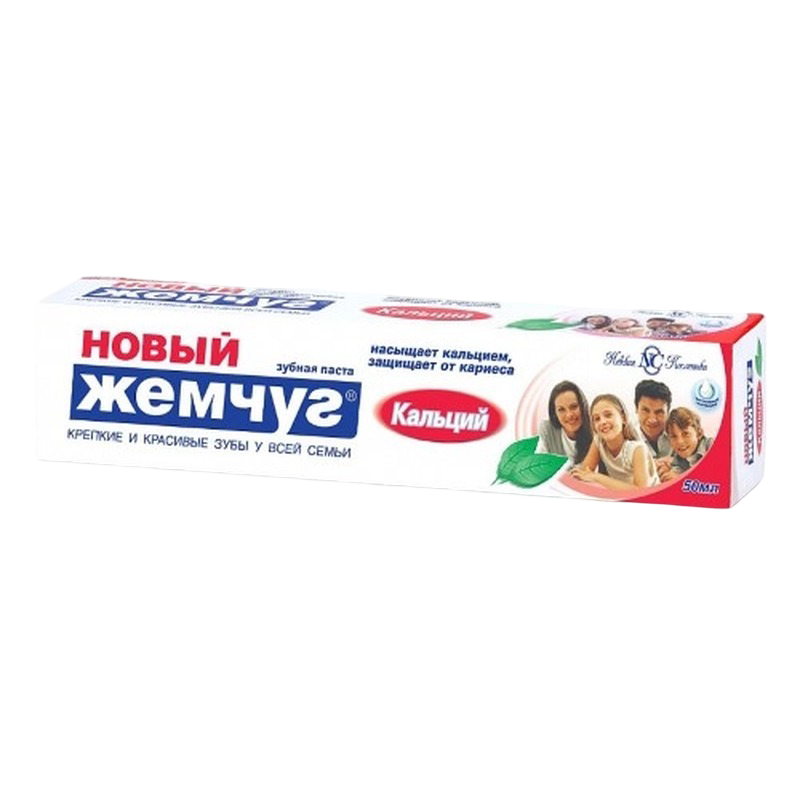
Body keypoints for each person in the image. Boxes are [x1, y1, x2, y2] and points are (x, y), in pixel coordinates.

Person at [571, 394, 659, 489]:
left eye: (608, 415)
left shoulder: (637, 449)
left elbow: (641, 491)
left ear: (623, 418)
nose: (602, 422)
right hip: (620, 494)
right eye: (597, 419)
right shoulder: (599, 441)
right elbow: (583, 473)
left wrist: (596, 477)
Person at [536, 381, 593, 465]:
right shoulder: (548, 430)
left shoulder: (595, 430)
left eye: (574, 407)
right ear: (555, 413)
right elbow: (540, 465)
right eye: (561, 409)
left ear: (583, 406)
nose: (569, 415)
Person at [659, 407, 714, 480]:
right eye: (674, 436)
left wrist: (682, 478)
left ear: (699, 433)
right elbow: (676, 471)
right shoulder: (679, 459)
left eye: (686, 434)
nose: (680, 442)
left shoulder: (711, 446)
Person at [634, 381, 673, 474]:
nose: (652, 419)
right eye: (645, 410)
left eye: (659, 412)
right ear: (636, 408)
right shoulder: (624, 439)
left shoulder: (681, 433)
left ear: (668, 412)